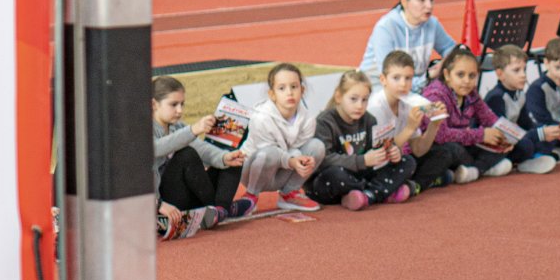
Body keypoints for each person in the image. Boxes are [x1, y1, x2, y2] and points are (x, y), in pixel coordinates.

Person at [151, 76, 252, 238]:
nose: (180, 110)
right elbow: (157, 148)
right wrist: (158, 204)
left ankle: (219, 210)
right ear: (154, 104)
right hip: (164, 202)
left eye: (182, 104)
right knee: (186, 154)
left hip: (188, 197)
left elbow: (202, 149)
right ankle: (223, 209)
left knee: (232, 159)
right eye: (173, 105)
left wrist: (224, 157)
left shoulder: (177, 126)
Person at [308, 71, 417, 210]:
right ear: (339, 97)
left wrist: (391, 153)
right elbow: (324, 160)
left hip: (360, 176)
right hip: (332, 180)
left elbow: (377, 151)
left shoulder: (369, 120)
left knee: (407, 161)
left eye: (364, 100)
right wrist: (363, 161)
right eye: (353, 99)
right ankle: (380, 191)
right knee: (334, 175)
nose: (360, 105)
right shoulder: (324, 122)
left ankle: (367, 195)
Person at [370, 48, 463, 194]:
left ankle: (413, 186)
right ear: (383, 80)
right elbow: (381, 153)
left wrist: (434, 125)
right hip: (376, 164)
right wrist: (409, 128)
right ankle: (416, 183)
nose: (403, 84)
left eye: (408, 78)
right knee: (408, 162)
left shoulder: (409, 102)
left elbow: (419, 150)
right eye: (396, 78)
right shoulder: (375, 108)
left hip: (397, 160)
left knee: (444, 153)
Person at [242, 63, 326, 213]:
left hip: (283, 171)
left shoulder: (308, 119)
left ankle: (289, 193)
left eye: (294, 87)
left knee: (317, 146)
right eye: (282, 88)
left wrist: (304, 161)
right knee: (270, 153)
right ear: (272, 94)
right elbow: (269, 153)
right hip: (255, 171)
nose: (289, 93)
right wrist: (293, 160)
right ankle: (250, 196)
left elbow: (300, 148)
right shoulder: (261, 118)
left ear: (302, 90)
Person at [423, 48, 515, 179]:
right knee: (452, 150)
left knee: (502, 145)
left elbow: (489, 118)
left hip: (462, 141)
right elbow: (440, 136)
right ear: (447, 75)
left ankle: (474, 170)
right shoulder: (434, 96)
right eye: (460, 75)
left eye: (472, 76)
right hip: (437, 148)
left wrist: (506, 136)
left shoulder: (471, 92)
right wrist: (481, 135)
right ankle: (481, 167)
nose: (467, 80)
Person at [481, 45, 560, 174]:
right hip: (495, 145)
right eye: (516, 70)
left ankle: (535, 157)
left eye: (524, 70)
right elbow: (502, 136)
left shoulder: (520, 94)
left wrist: (548, 130)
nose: (523, 75)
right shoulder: (496, 98)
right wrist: (540, 134)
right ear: (500, 74)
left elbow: (526, 125)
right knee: (527, 144)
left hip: (512, 139)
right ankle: (528, 160)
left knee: (547, 132)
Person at [360, 0, 456, 80]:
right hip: (377, 85)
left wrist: (445, 62)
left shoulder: (432, 23)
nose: (429, 5)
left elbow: (451, 49)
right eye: (422, 0)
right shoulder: (385, 28)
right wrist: (428, 77)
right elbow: (390, 78)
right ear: (404, 2)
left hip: (413, 84)